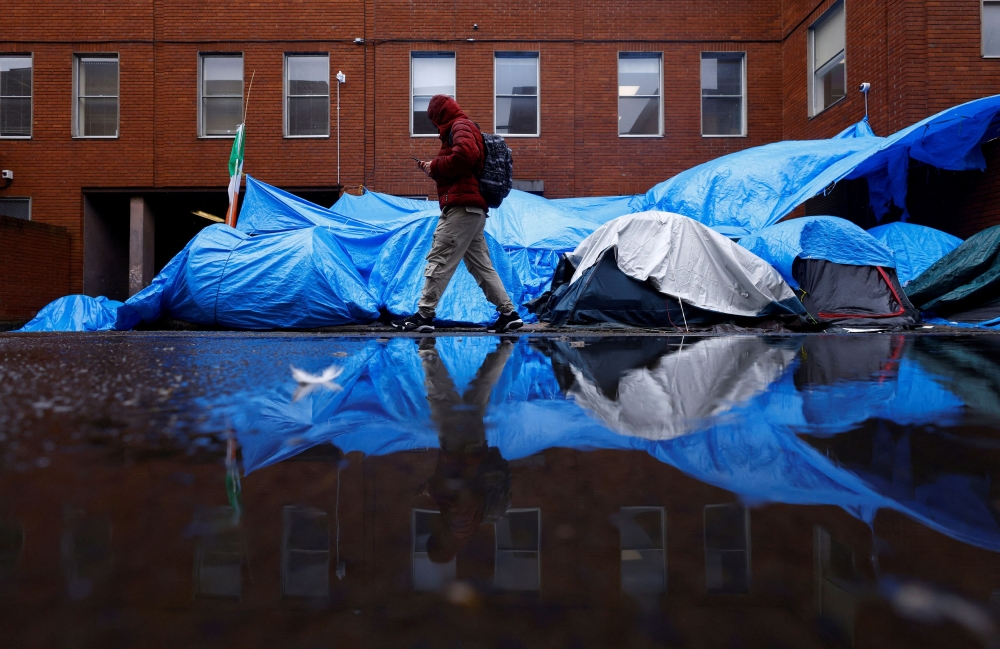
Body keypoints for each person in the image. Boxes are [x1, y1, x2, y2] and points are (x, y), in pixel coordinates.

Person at [391, 95, 523, 334]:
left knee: (439, 259)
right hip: (472, 210)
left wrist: (436, 166)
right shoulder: (463, 127)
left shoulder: (460, 126)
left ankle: (424, 315)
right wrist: (434, 166)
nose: (434, 125)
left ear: (440, 115)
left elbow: (464, 157)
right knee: (482, 267)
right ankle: (509, 314)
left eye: (433, 119)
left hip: (461, 209)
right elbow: (463, 161)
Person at [416, 337, 513, 563]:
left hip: (469, 450)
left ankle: (503, 350)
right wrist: (433, 488)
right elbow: (462, 494)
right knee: (444, 397)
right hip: (463, 451)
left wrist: (431, 490)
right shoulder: (459, 529)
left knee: (476, 394)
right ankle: (428, 352)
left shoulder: (459, 532)